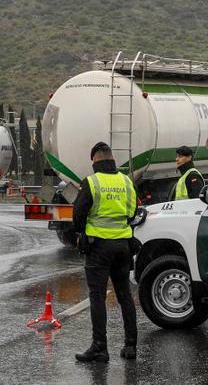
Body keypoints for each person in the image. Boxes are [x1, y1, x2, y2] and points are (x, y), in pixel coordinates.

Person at [71, 142, 139, 363]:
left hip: (99, 247)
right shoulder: (126, 181)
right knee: (125, 296)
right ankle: (130, 346)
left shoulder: (92, 182)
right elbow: (132, 212)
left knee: (98, 296)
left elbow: (78, 215)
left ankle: (100, 348)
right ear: (112, 159)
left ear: (94, 161)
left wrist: (81, 233)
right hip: (123, 246)